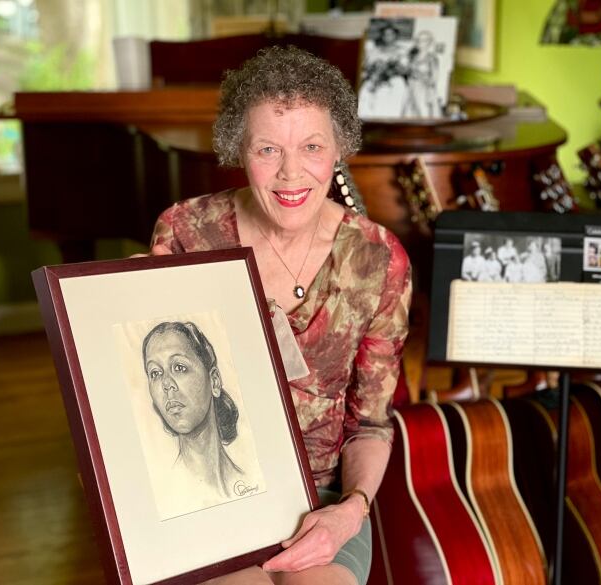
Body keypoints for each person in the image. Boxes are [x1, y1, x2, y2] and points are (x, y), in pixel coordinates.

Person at [148, 46, 412, 585]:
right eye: (268, 148)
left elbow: (371, 422)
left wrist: (350, 510)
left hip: (324, 501)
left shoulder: (379, 258)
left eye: (312, 146)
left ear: (339, 148)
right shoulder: (184, 233)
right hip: (208, 492)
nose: (291, 173)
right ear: (238, 150)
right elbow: (145, 386)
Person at [143, 321, 245, 503]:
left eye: (179, 367)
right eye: (155, 373)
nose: (166, 384)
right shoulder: (164, 497)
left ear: (214, 381)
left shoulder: (248, 480)